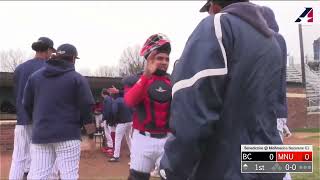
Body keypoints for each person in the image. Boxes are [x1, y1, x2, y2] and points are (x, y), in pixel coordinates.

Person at [160, 1, 284, 179]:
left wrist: (171, 170)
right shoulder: (271, 43)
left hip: (223, 169)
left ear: (215, 6)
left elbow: (193, 115)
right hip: (268, 166)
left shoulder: (218, 25)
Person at [23, 43, 95, 179]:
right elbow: (86, 110)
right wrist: (90, 136)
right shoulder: (77, 78)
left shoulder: (35, 77)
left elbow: (26, 105)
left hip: (41, 134)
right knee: (69, 175)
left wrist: (37, 122)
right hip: (68, 135)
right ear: (73, 59)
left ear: (56, 55)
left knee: (39, 175)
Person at [124, 33, 172, 180]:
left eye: (166, 59)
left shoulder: (174, 81)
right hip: (142, 139)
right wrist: (146, 76)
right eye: (159, 58)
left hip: (167, 139)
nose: (164, 62)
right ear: (149, 59)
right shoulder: (134, 80)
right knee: (137, 177)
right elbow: (129, 102)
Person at [9, 37, 55, 180]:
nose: (51, 54)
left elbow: (17, 92)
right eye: (51, 51)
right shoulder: (50, 68)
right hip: (41, 119)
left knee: (18, 158)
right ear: (47, 50)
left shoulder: (20, 68)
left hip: (22, 118)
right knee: (43, 157)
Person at [261, 6, 292, 180]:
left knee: (272, 165)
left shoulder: (274, 39)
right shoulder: (277, 40)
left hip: (270, 112)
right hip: (276, 112)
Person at [108, 95, 133, 162]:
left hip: (122, 122)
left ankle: (116, 156)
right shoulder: (127, 99)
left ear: (113, 97)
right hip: (130, 121)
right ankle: (133, 153)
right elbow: (133, 110)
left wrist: (114, 121)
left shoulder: (116, 101)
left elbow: (114, 112)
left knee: (117, 139)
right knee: (129, 137)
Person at [101, 90, 115, 156]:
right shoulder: (110, 99)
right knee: (109, 133)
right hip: (110, 118)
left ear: (103, 94)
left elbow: (107, 110)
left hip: (108, 119)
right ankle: (110, 146)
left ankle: (111, 147)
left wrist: (105, 118)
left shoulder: (107, 99)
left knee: (108, 133)